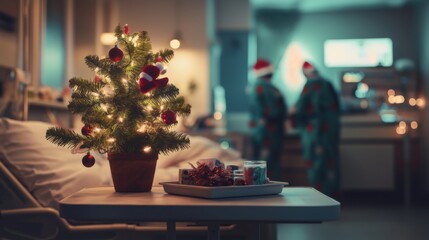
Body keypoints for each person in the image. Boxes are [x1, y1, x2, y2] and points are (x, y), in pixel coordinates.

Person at [293, 61, 340, 196]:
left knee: (316, 166)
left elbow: (301, 109)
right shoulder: (328, 84)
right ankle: (333, 196)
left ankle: (319, 197)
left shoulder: (310, 85)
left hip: (315, 133)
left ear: (305, 72)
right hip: (331, 133)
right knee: (331, 165)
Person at [249, 59, 287, 180]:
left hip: (269, 132)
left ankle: (267, 191)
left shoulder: (265, 86)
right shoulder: (263, 87)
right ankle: (267, 192)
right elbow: (271, 110)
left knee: (269, 163)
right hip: (267, 132)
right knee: (267, 164)